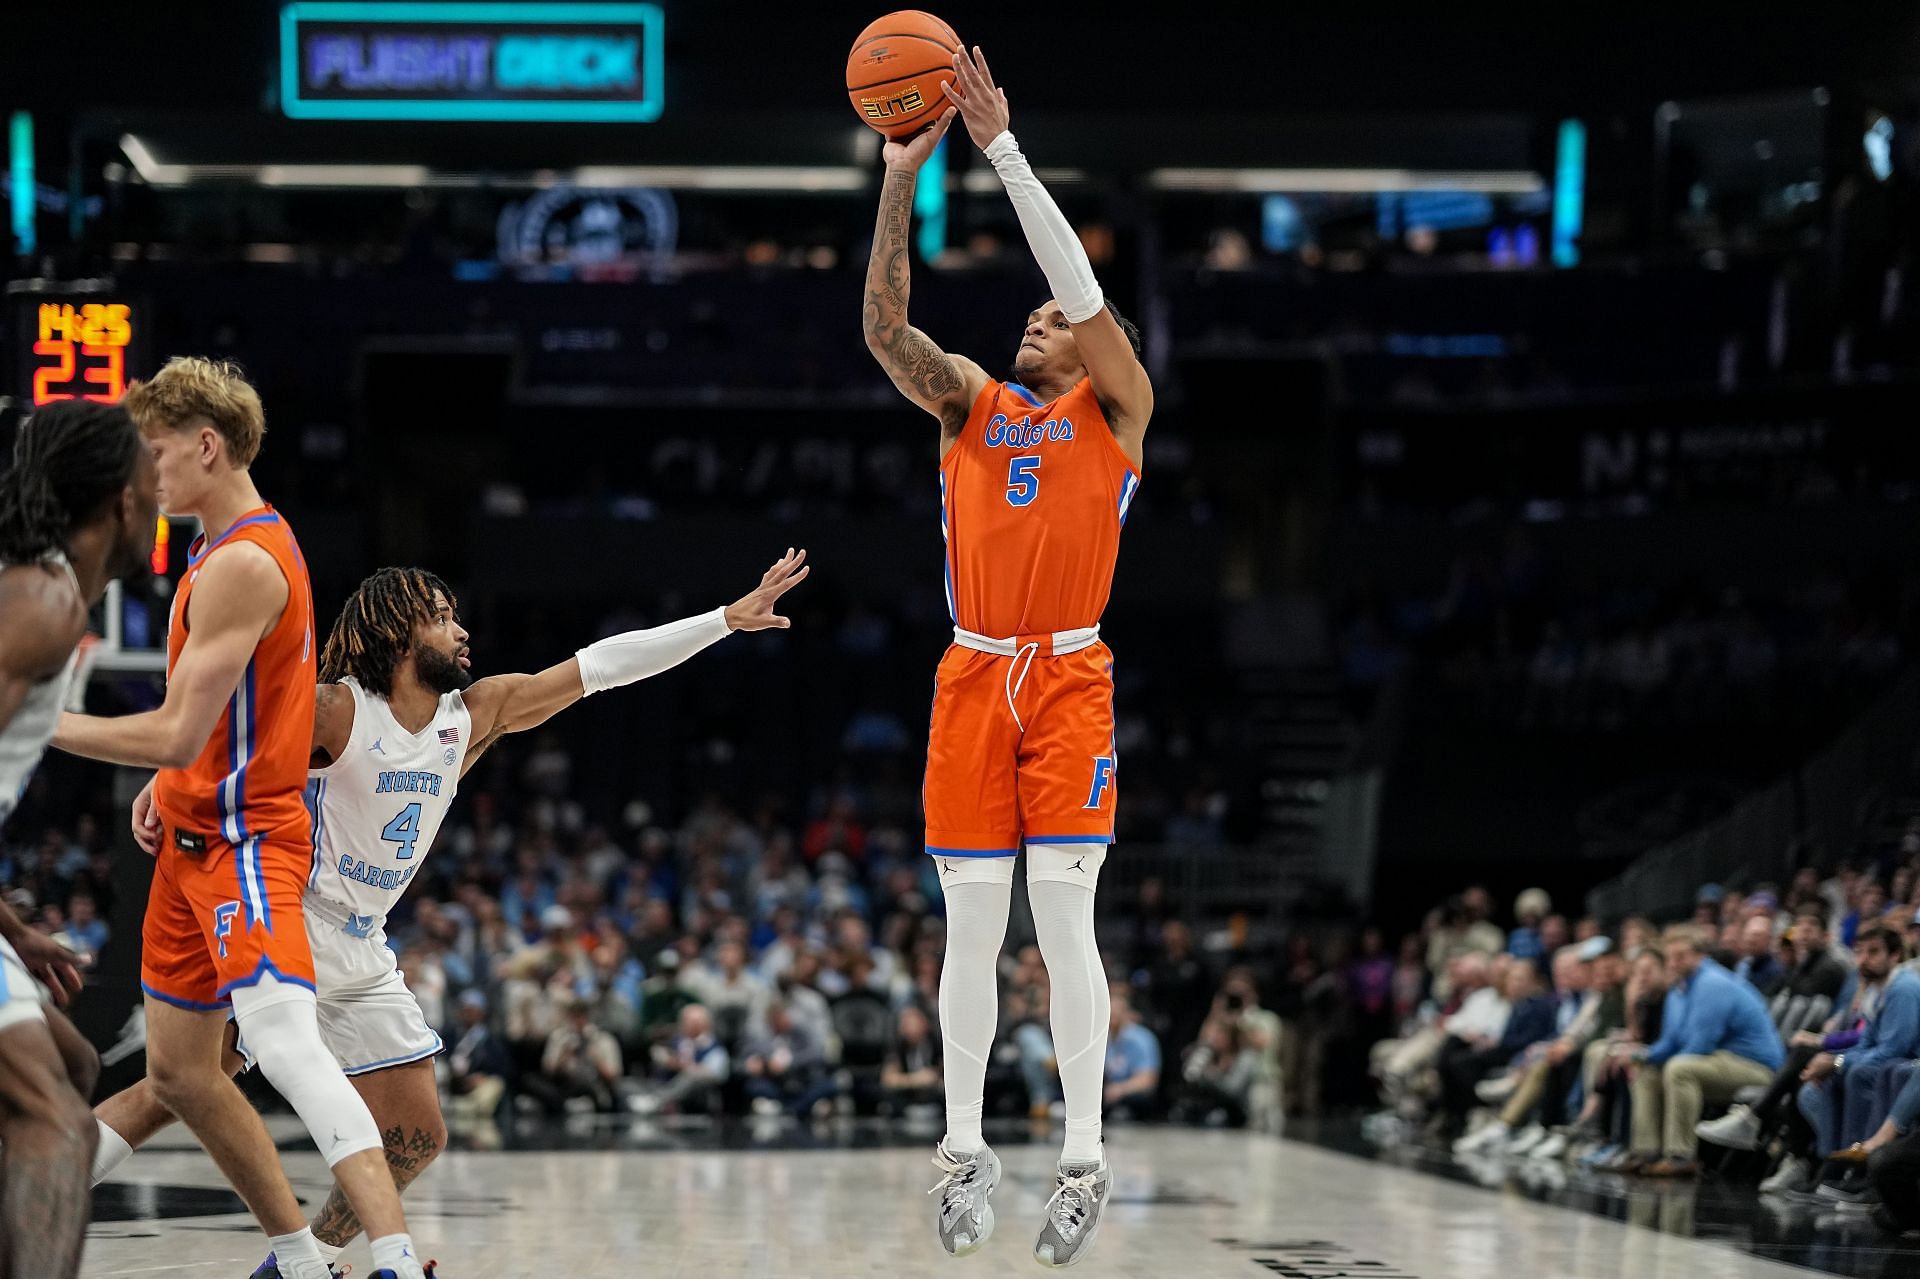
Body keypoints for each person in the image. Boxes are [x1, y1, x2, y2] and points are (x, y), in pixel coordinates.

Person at [87, 552, 807, 1270]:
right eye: (441, 617)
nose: (462, 630)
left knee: (416, 1130)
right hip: (288, 919)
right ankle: (42, 1179)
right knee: (174, 1087)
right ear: (398, 634)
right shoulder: (337, 708)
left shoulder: (475, 713)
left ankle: (302, 1260)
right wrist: (165, 773)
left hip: (363, 944)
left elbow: (599, 668)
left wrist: (722, 620)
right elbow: (233, 728)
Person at [864, 46, 1154, 1267]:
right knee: (970, 925)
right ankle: (966, 1149)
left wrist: (1002, 150)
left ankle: (1083, 1158)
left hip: (1071, 675)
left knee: (1066, 922)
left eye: (1049, 319)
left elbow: (1080, 288)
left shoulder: (1119, 407)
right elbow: (885, 327)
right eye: (1031, 318)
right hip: (975, 674)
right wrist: (897, 178)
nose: (1031, 321)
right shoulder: (973, 404)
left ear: (1090, 349)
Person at [52, 359, 429, 1279]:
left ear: (208, 446)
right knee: (179, 1074)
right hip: (188, 839)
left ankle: (397, 1258)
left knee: (283, 1042)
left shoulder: (247, 563)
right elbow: (236, 707)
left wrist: (36, 719)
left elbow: (176, 726)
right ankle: (302, 1259)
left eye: (156, 453)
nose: (145, 475)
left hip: (247, 845)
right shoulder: (217, 548)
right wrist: (171, 782)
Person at [0, 400, 158, 1279]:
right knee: (57, 1126)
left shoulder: (46, 591)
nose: (162, 495)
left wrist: (11, 927)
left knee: (74, 1062)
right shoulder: (43, 600)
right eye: (150, 479)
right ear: (121, 502)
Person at [1624, 924, 1786, 1177]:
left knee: (1679, 1069)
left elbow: (1700, 1046)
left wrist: (1662, 1058)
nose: (1675, 962)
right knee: (1647, 1071)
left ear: (1700, 955)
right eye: (1671, 957)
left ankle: (1680, 1156)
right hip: (1719, 1061)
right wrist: (1638, 1056)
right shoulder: (1679, 989)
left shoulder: (1712, 984)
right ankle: (1646, 1151)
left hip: (1756, 1068)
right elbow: (1670, 1041)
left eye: (1681, 956)